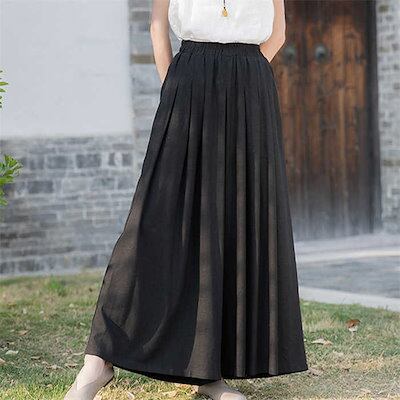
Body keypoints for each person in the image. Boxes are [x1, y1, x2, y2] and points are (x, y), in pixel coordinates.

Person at [64, 0, 308, 399]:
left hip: (250, 88)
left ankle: (209, 373)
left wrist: (238, 78)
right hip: (189, 83)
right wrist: (176, 88)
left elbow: (278, 33)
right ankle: (98, 361)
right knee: (152, 221)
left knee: (230, 219)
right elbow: (157, 25)